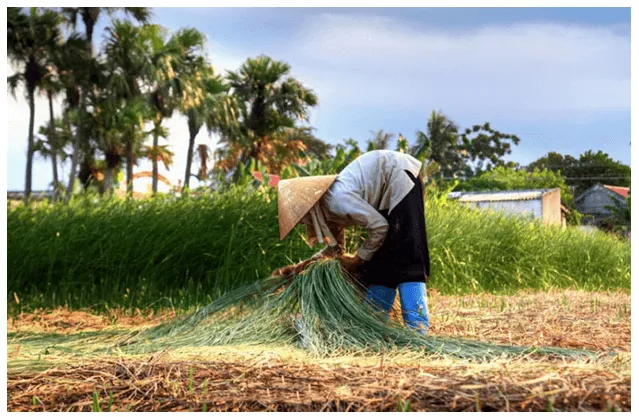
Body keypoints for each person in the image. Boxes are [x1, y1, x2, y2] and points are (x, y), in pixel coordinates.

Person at [273, 150, 431, 332]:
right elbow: (335, 248)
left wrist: (358, 259)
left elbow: (379, 226)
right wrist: (307, 265)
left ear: (308, 207)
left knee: (408, 256)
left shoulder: (336, 200)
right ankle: (374, 327)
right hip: (386, 191)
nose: (302, 222)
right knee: (379, 263)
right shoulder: (326, 208)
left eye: (300, 217)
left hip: (399, 175)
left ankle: (418, 329)